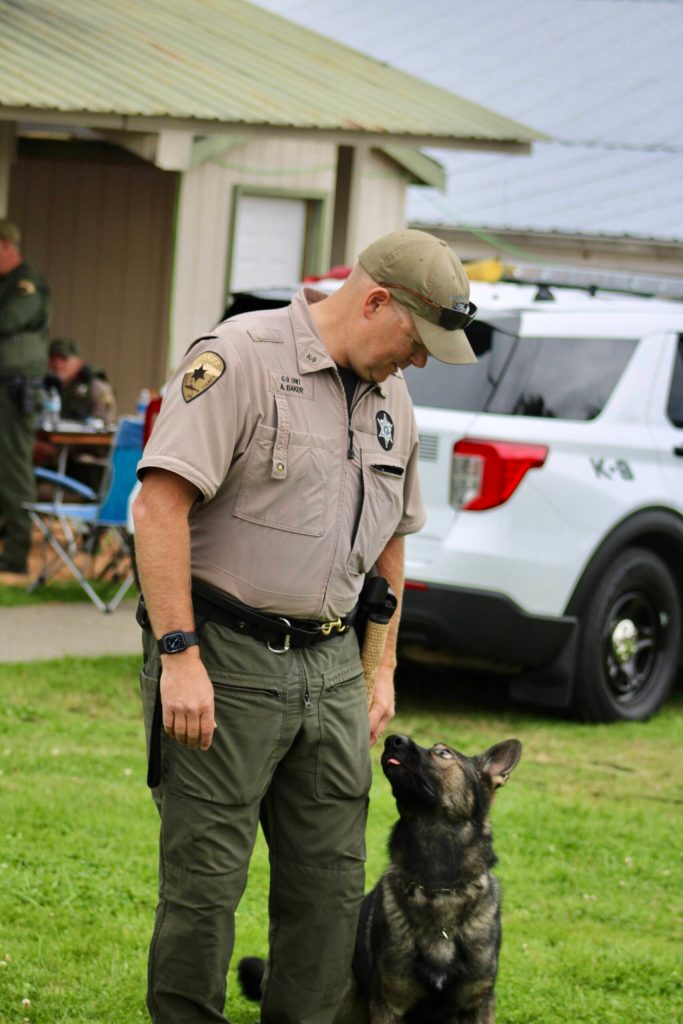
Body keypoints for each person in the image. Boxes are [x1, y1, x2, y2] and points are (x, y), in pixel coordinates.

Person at [132, 228, 478, 1024]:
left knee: (327, 892)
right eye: (415, 340)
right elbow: (158, 506)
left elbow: (391, 540)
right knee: (204, 889)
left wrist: (380, 666)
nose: (418, 360)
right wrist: (180, 655)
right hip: (224, 659)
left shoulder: (392, 396)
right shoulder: (240, 357)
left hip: (330, 668)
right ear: (375, 300)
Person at [0, 219, 51, 576]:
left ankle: (16, 556)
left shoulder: (25, 286)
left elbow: (7, 320)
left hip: (13, 389)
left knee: (14, 470)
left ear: (6, 246)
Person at [46, 336, 117, 425]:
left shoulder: (94, 385)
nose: (57, 365)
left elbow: (105, 420)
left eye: (63, 359)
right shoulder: (44, 384)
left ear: (78, 362)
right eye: (53, 359)